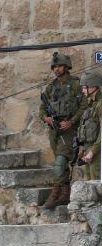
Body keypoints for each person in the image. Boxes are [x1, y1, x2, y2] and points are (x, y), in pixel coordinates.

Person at [40, 52, 86, 209]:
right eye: (54, 67)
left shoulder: (75, 85)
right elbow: (42, 107)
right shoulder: (51, 87)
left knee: (59, 163)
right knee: (62, 163)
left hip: (68, 130)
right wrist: (45, 118)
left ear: (67, 67)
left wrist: (71, 122)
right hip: (54, 130)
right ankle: (66, 195)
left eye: (59, 66)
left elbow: (84, 106)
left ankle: (54, 195)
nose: (56, 69)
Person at [76, 73, 102, 180]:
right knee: (90, 182)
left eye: (84, 87)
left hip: (97, 150)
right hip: (88, 149)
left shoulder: (100, 105)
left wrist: (92, 152)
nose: (83, 90)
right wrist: (82, 149)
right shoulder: (91, 103)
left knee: (96, 183)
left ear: (92, 86)